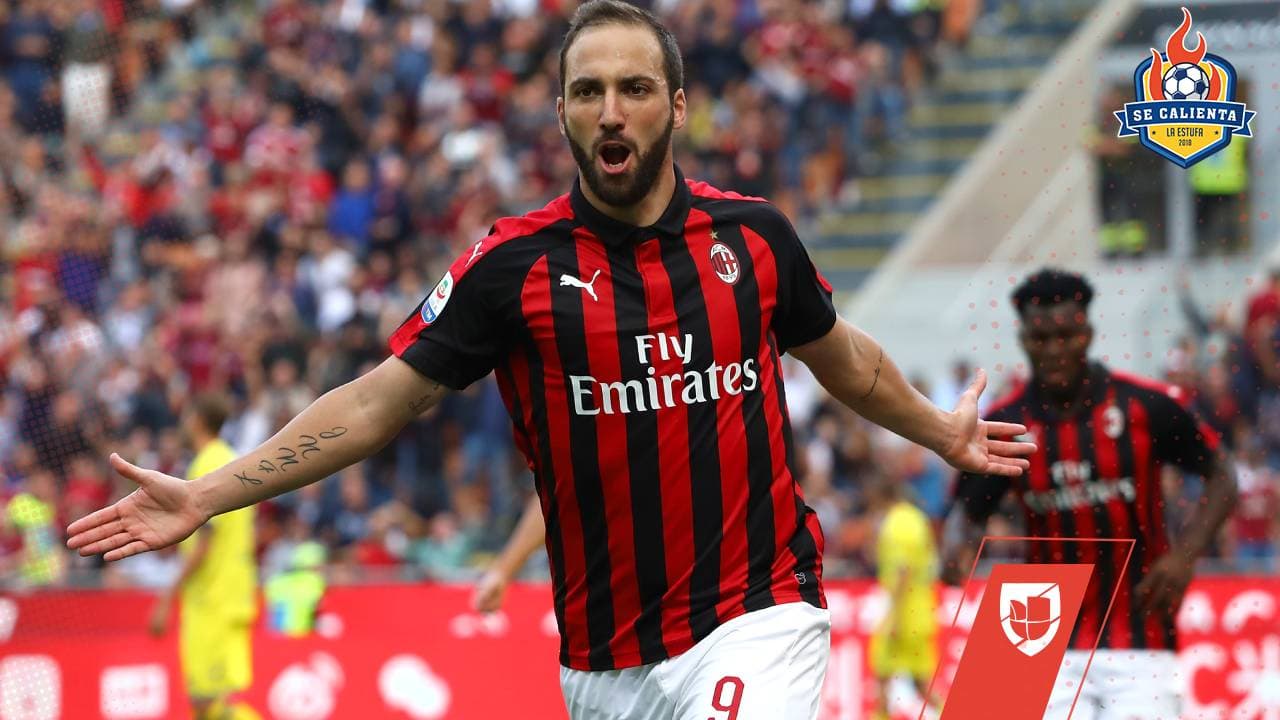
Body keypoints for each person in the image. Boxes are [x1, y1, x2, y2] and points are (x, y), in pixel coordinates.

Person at [67, 3, 1034, 718]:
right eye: (589, 91)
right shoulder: (511, 267)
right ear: (561, 111)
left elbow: (846, 360)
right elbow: (373, 406)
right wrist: (210, 494)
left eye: (635, 89)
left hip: (758, 611)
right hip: (602, 662)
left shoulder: (754, 240)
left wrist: (939, 431)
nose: (612, 111)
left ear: (677, 107)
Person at [943, 268, 1237, 720]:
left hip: (1138, 630)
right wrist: (955, 549)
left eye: (1065, 336)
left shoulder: (1146, 405)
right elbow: (966, 512)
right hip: (1032, 633)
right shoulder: (1006, 424)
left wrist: (1186, 554)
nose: (1054, 350)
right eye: (1041, 339)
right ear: (1024, 340)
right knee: (978, 709)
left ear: (1087, 334)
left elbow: (1223, 475)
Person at [147, 393, 261, 720]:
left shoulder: (207, 466)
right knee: (208, 701)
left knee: (209, 702)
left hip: (213, 599)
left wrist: (167, 596)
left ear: (197, 420)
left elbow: (204, 543)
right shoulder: (232, 460)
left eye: (186, 416)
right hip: (230, 593)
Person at [866, 477, 942, 720]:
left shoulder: (896, 524)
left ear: (880, 499)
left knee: (882, 679)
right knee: (922, 684)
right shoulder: (917, 519)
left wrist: (895, 617)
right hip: (921, 611)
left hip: (903, 614)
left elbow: (902, 571)